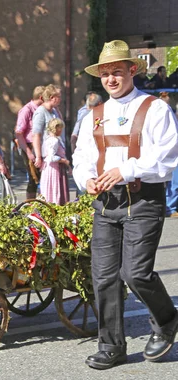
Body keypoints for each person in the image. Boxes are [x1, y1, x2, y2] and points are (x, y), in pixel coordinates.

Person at [74, 40, 178, 370]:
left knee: (135, 272)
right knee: (103, 276)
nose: (111, 79)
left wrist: (125, 169)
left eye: (117, 72)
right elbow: (82, 157)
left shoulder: (155, 108)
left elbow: (167, 157)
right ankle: (111, 346)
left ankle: (166, 320)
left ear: (132, 70)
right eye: (105, 74)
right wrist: (85, 179)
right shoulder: (95, 114)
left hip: (143, 198)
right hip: (105, 202)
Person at [15, 85, 45, 199]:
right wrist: (28, 152)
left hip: (40, 146)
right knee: (34, 178)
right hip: (30, 146)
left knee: (43, 177)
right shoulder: (26, 110)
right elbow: (19, 134)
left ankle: (42, 203)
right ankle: (30, 205)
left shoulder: (42, 110)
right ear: (41, 97)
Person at [40, 118, 70, 205]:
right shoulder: (54, 140)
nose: (61, 130)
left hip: (48, 168)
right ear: (56, 128)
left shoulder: (48, 139)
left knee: (48, 189)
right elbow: (51, 157)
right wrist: (64, 161)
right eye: (60, 128)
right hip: (54, 169)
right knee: (54, 190)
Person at [32, 84, 61, 171]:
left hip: (56, 154)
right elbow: (36, 135)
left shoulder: (54, 111)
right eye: (59, 97)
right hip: (47, 156)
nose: (60, 99)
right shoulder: (41, 112)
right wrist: (38, 156)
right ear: (52, 97)